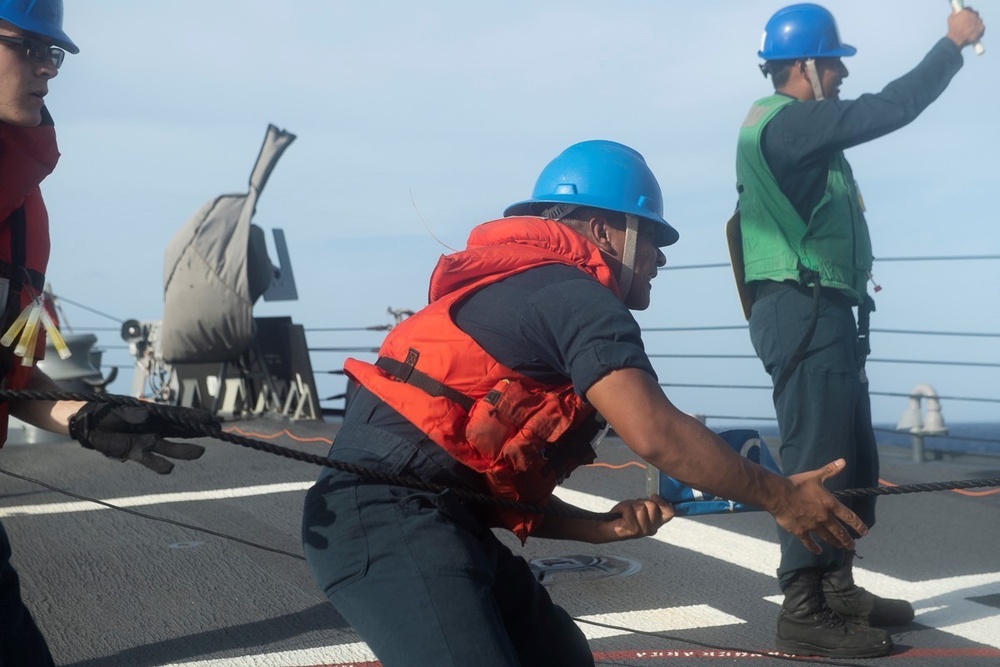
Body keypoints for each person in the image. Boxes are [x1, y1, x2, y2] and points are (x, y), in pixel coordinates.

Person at [303, 139, 872, 667]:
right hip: (388, 521)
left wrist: (598, 529)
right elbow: (656, 434)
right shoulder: (576, 297)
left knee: (561, 656)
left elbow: (468, 479)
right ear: (605, 231)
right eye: (651, 238)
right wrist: (780, 496)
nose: (661, 259)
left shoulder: (533, 285)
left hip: (430, 518)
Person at [730, 2, 986, 659]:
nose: (842, 74)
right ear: (806, 67)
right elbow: (888, 107)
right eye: (835, 63)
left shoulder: (801, 132)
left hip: (822, 312)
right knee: (815, 459)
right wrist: (951, 46)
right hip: (802, 311)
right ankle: (803, 608)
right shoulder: (790, 127)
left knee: (850, 459)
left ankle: (838, 585)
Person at [1, 2, 210, 664]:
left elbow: (9, 369)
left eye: (51, 53)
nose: (46, 69)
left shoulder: (26, 209)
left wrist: (89, 417)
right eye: (27, 46)